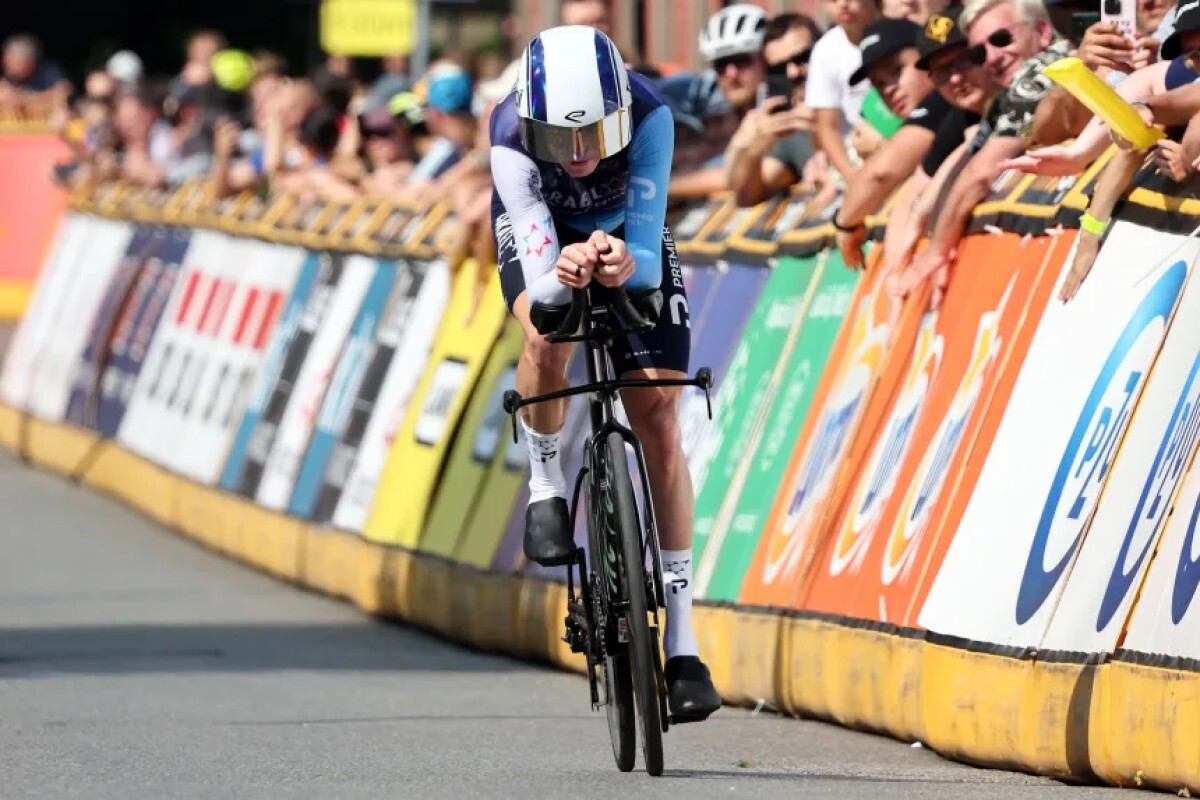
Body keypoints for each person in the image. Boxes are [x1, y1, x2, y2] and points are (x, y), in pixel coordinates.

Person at [489, 25, 721, 722]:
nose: (582, 155)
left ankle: (682, 643)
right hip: (545, 242)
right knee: (543, 332)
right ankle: (544, 484)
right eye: (564, 141)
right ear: (537, 129)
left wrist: (622, 262)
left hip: (627, 232)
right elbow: (543, 285)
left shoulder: (652, 115)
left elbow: (645, 255)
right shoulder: (507, 137)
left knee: (657, 414)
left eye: (596, 133)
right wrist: (563, 275)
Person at [835, 7, 995, 267]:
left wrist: (843, 225)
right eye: (878, 83)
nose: (889, 88)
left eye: (896, 70)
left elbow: (880, 173)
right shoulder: (951, 109)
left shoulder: (940, 103)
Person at [668, 3, 770, 199]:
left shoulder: (778, 109)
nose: (731, 73)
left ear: (766, 58)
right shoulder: (714, 117)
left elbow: (740, 176)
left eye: (741, 60)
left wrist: (659, 190)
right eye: (721, 64)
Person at [724, 13, 823, 206]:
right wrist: (752, 150)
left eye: (803, 58)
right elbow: (747, 196)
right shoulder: (790, 131)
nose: (793, 72)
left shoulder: (861, 96)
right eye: (779, 68)